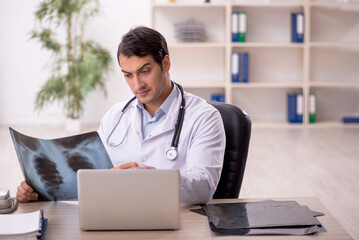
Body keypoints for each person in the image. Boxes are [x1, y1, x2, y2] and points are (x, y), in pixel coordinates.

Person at [16, 26, 226, 204]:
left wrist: (150, 177)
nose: (137, 85)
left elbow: (205, 186)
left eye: (145, 71)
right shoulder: (115, 117)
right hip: (117, 215)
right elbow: (93, 177)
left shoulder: (204, 117)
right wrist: (39, 190)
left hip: (173, 220)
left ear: (166, 64)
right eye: (128, 75)